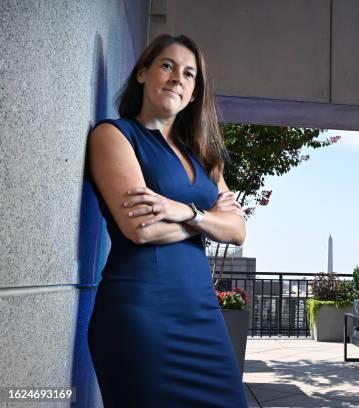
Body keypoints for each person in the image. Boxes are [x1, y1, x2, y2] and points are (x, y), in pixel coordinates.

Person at [87, 34, 248, 407]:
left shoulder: (205, 157)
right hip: (141, 315)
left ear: (193, 94)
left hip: (202, 315)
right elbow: (142, 230)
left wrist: (185, 211)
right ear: (142, 73)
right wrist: (207, 221)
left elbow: (238, 231)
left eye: (189, 74)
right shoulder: (113, 135)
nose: (178, 77)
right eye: (167, 65)